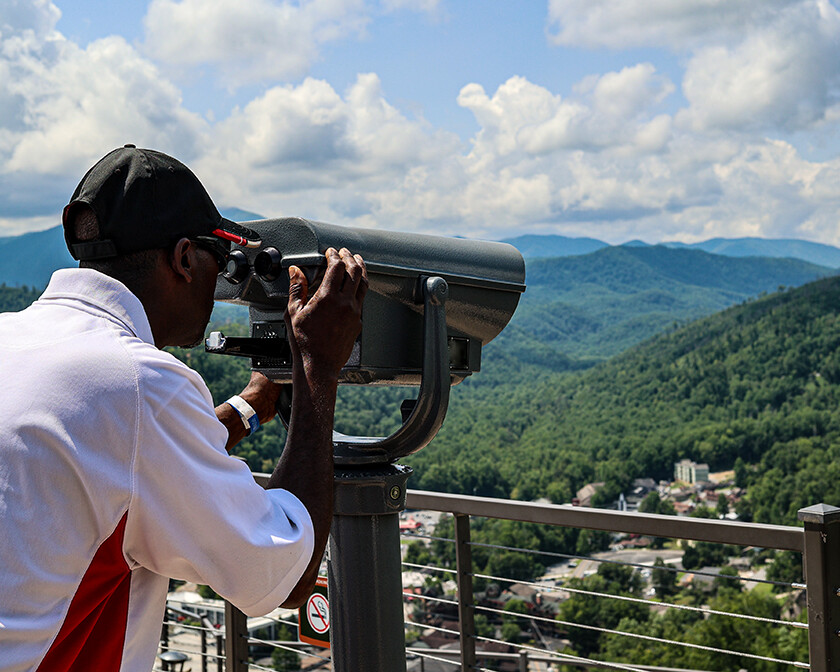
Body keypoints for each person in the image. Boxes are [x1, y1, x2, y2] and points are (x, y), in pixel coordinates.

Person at [0, 145, 367, 672]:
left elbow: (125, 469)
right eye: (220, 265)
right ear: (183, 259)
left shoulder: (15, 338)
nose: (219, 289)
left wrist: (251, 405)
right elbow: (283, 571)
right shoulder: (140, 382)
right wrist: (317, 370)